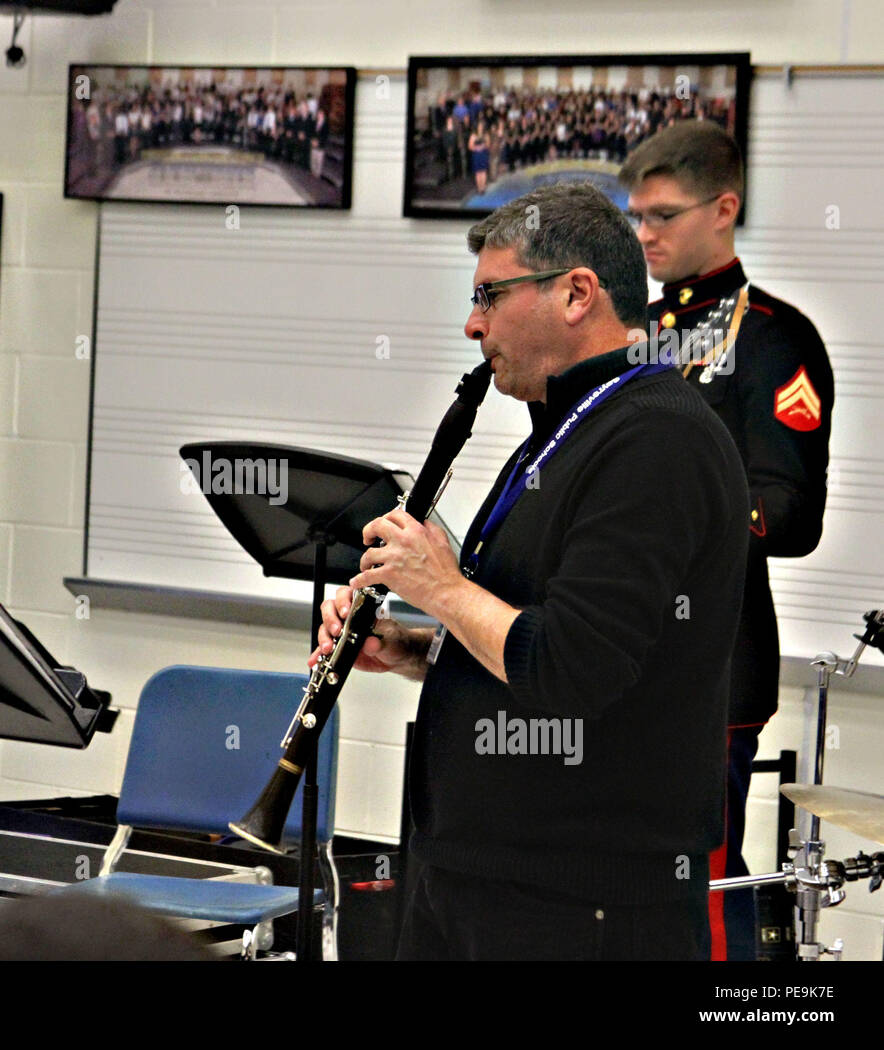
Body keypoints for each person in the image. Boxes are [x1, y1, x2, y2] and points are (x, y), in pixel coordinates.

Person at [313, 183, 749, 960]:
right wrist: (416, 644)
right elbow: (524, 626)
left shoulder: (656, 441)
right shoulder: (562, 429)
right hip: (475, 878)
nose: (473, 324)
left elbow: (571, 667)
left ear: (577, 293)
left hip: (579, 908)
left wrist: (443, 587)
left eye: (491, 295)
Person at [619, 121, 834, 961]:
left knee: (698, 885)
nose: (644, 235)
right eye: (636, 216)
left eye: (664, 215)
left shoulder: (773, 336)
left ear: (725, 208)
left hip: (710, 658)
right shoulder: (632, 329)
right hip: (614, 645)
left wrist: (683, 512)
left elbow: (791, 512)